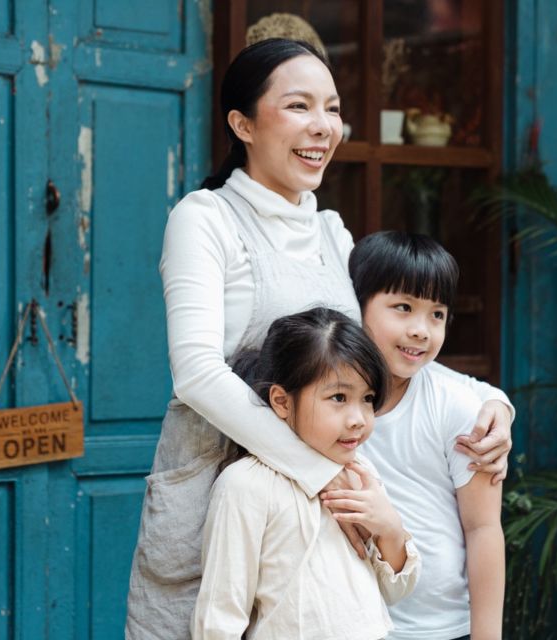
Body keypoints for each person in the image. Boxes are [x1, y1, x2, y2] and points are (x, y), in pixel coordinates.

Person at [125, 38, 512, 640]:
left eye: (332, 108)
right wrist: (316, 470)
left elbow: (382, 349)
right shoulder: (204, 219)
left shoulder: (332, 231)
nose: (324, 126)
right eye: (300, 106)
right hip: (218, 494)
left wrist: (492, 403)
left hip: (317, 518)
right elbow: (197, 373)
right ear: (242, 123)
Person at [193, 307, 420, 639]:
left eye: (368, 398)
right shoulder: (246, 485)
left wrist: (390, 529)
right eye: (339, 397)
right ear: (282, 402)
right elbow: (219, 616)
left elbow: (394, 592)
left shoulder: (361, 474)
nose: (358, 418)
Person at [324, 231, 505, 639]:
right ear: (357, 306)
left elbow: (483, 529)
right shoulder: (325, 403)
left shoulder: (457, 406)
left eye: (436, 314)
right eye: (403, 307)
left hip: (441, 627)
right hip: (353, 623)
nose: (421, 330)